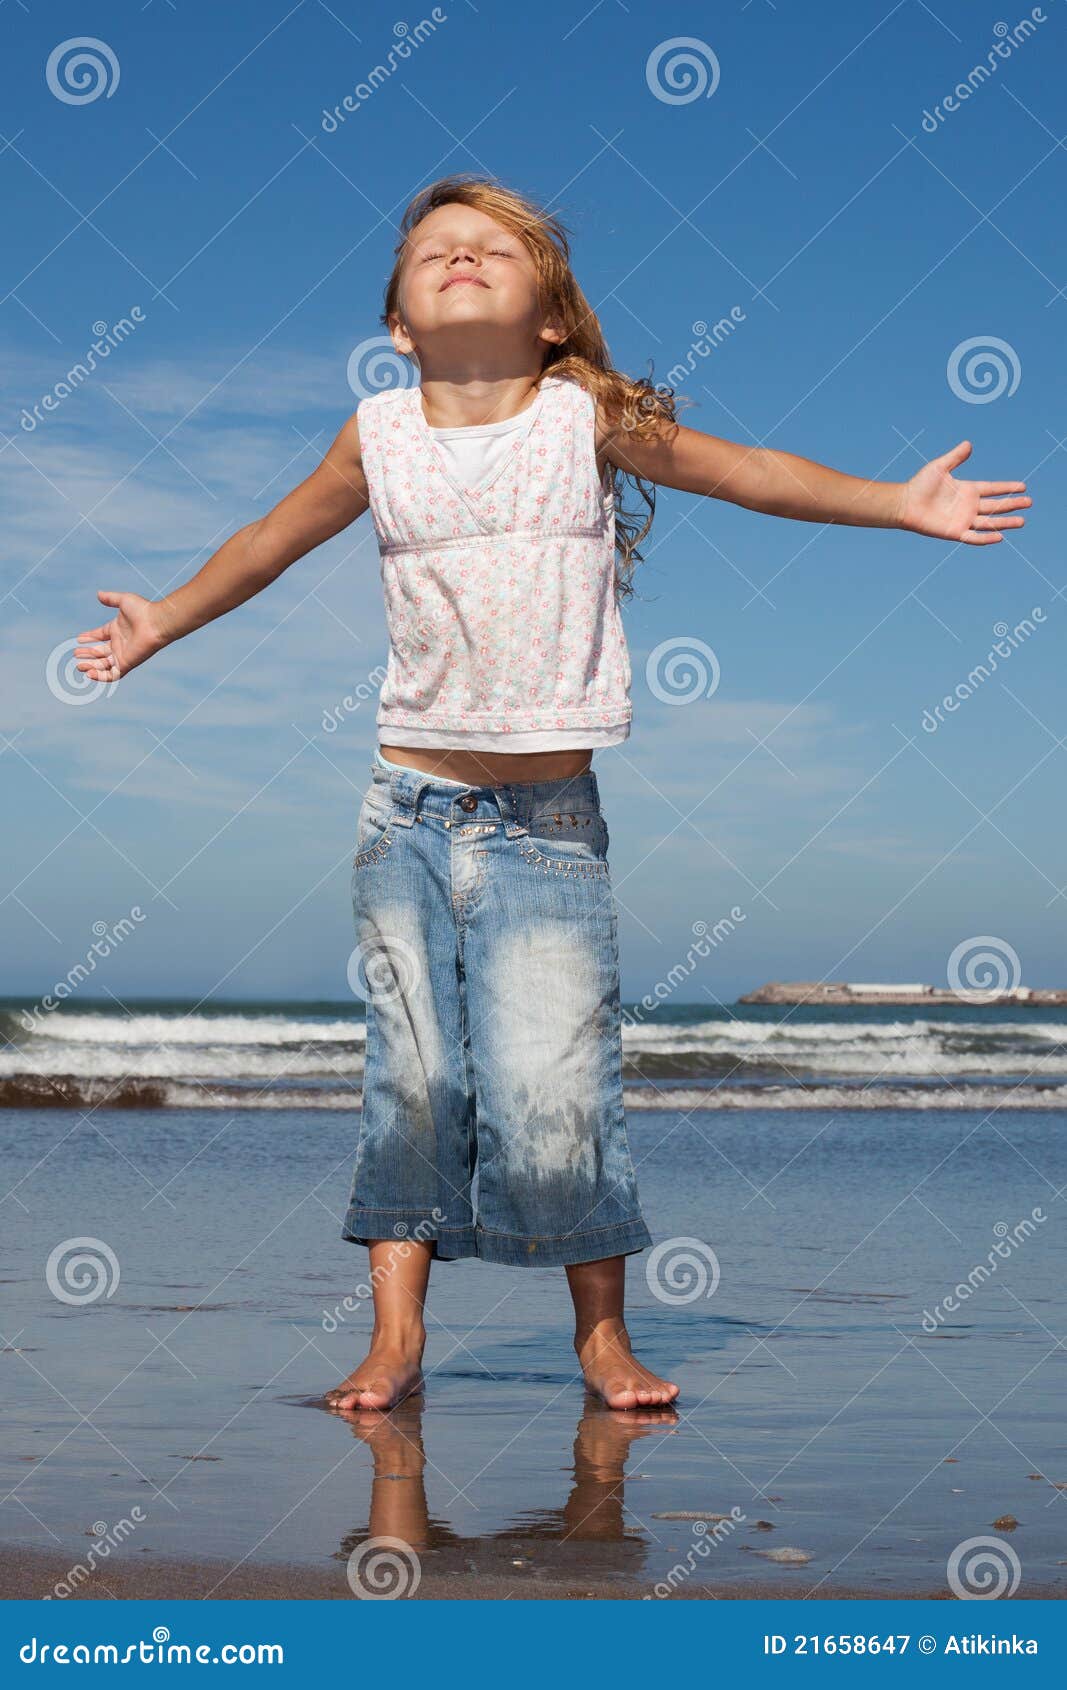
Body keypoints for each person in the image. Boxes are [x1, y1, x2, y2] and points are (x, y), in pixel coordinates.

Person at [72, 174, 1031, 1414]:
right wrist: (163, 616)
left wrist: (892, 503)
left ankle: (600, 1339)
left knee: (557, 1085)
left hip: (548, 830)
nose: (461, 255)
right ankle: (396, 1340)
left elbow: (745, 473)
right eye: (433, 252)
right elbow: (269, 539)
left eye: (492, 249)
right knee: (412, 1077)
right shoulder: (378, 434)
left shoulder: (581, 415)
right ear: (400, 326)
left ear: (550, 321)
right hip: (406, 810)